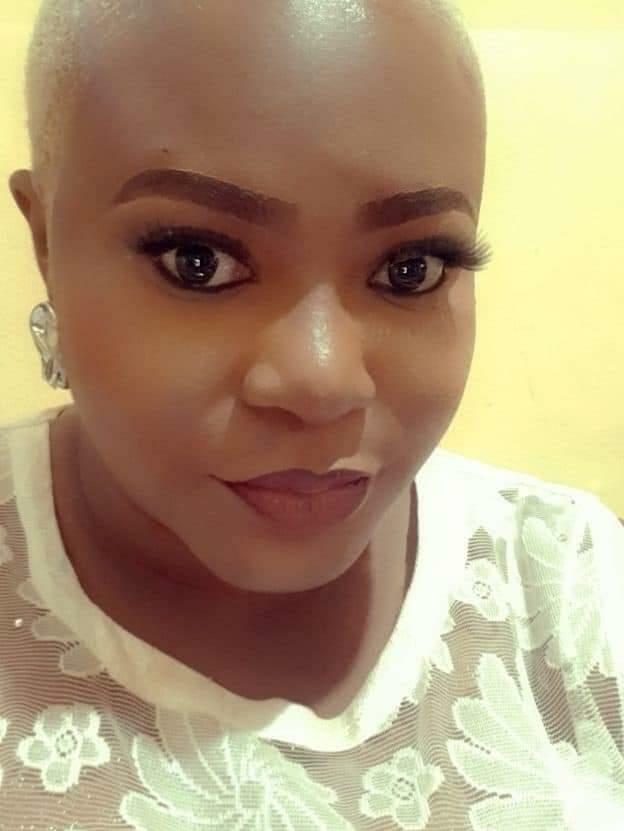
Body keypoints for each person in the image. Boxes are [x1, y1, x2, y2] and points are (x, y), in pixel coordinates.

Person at [1, 0, 623, 828]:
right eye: (198, 261)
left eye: (411, 268)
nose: (323, 382)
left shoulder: (569, 588)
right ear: (46, 240)